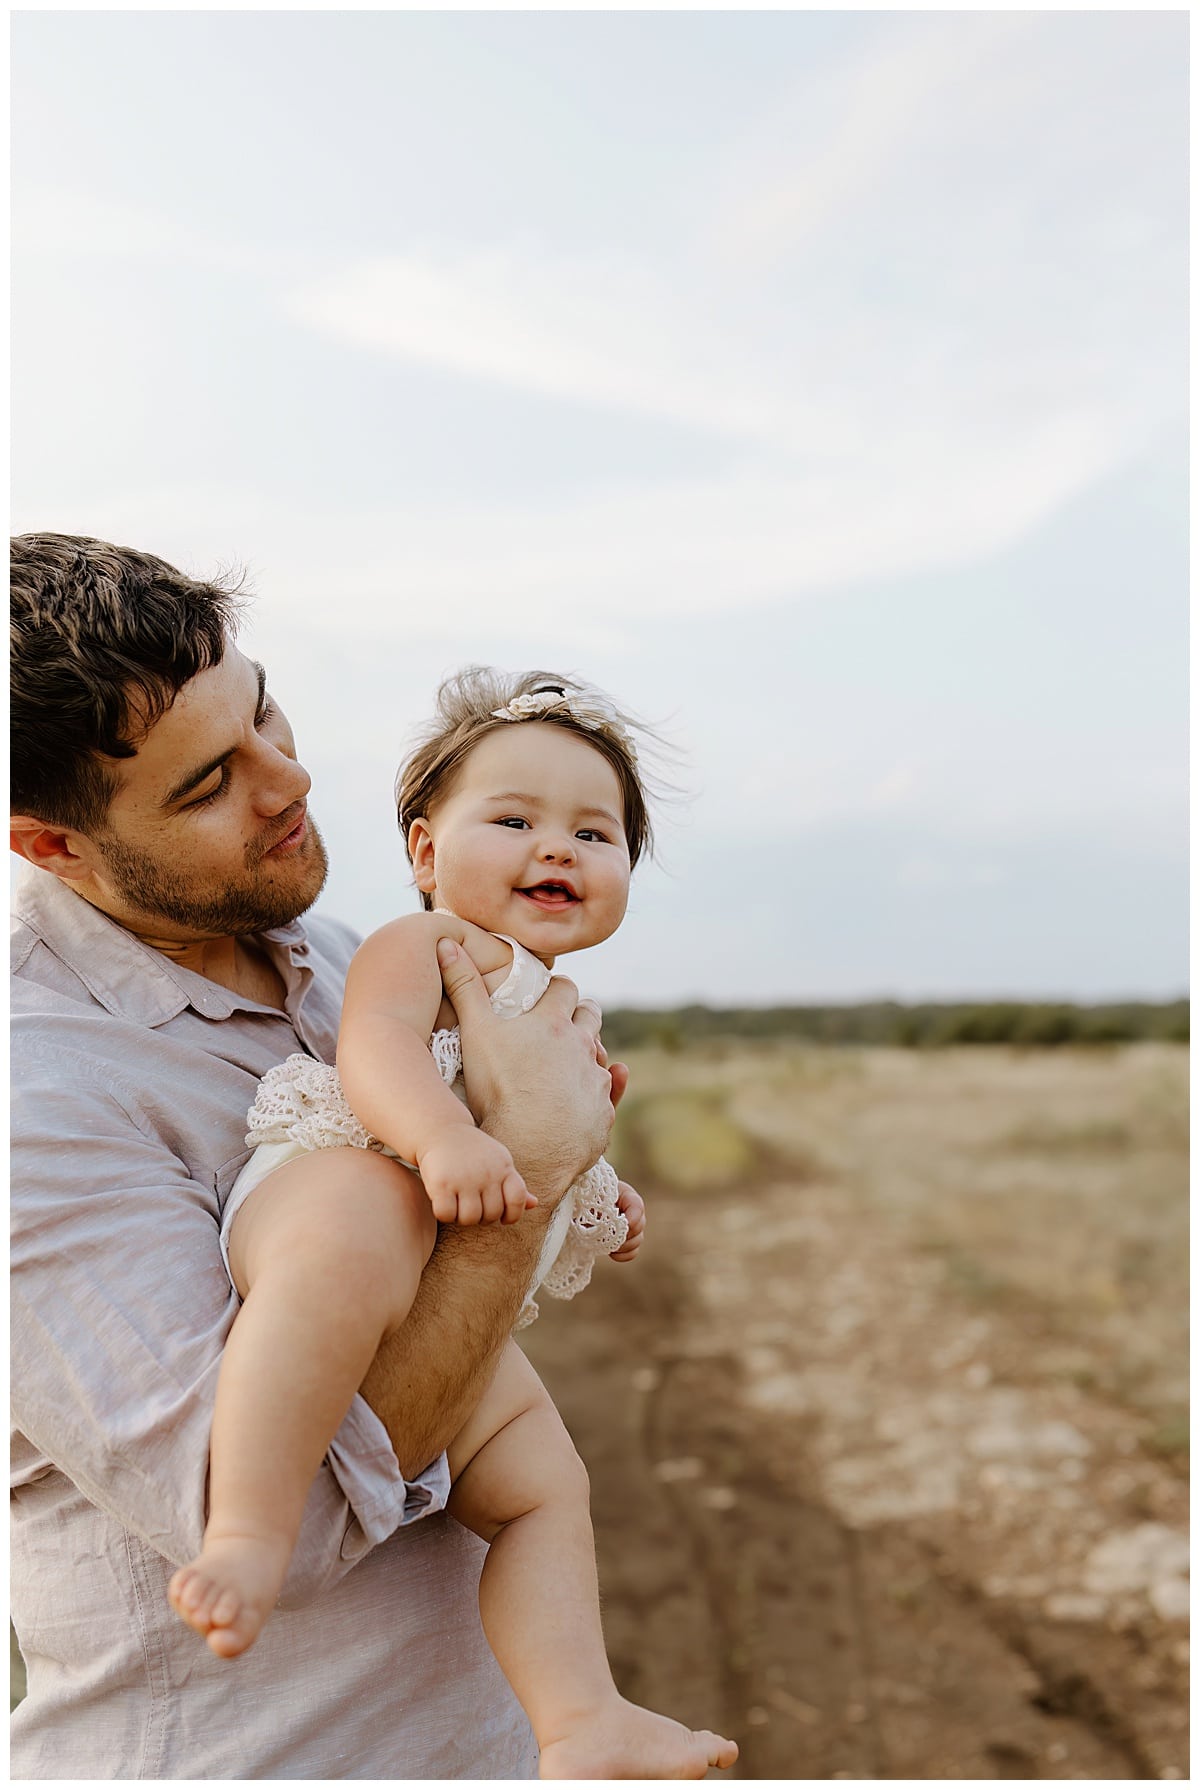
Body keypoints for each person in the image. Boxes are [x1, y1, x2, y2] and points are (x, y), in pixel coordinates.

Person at [9, 533, 736, 1780]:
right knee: (342, 1228)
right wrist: (520, 1162)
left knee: (545, 1479)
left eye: (266, 709)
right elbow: (288, 1538)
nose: (288, 779)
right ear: (53, 844)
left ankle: (582, 1713)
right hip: (268, 1760)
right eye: (207, 784)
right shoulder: (36, 1087)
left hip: (475, 1744)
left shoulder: (330, 949)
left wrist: (579, 1170)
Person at [165, 667, 733, 1778]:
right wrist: (440, 1138)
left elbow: (558, 1120)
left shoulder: (560, 999)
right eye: (514, 819)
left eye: (595, 830)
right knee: (342, 1251)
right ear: (426, 853)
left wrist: (599, 1195)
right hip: (350, 1163)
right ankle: (247, 1525)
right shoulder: (419, 944)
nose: (557, 847)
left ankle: (578, 1719)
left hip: (449, 1257)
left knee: (543, 1483)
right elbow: (375, 1046)